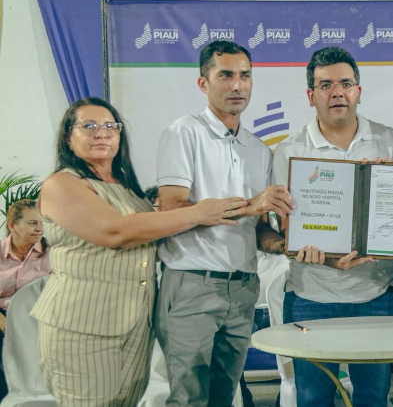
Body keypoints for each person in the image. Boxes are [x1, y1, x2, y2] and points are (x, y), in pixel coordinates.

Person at [30, 97, 246, 407]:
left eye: (110, 126)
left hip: (133, 324)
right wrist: (199, 212)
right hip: (82, 324)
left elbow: (151, 234)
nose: (101, 133)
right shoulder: (61, 184)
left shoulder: (126, 187)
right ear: (68, 137)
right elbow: (115, 232)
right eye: (88, 126)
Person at [258, 46, 393, 406]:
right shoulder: (289, 151)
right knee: (313, 400)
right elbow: (281, 230)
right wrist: (309, 252)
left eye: (345, 84)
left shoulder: (389, 140)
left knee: (374, 399)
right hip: (311, 297)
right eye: (325, 85)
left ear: (359, 91)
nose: (337, 93)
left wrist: (388, 186)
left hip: (376, 295)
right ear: (311, 96)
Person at [155, 40, 293, 407]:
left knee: (224, 396)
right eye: (226, 75)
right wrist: (250, 206)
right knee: (189, 398)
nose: (237, 85)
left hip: (243, 286)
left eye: (245, 76)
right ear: (203, 83)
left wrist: (286, 246)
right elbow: (171, 208)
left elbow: (259, 228)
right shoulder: (184, 133)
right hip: (192, 283)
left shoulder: (258, 149)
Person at [0, 199, 51, 400]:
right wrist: (3, 321)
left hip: (38, 316)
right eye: (32, 223)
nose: (39, 229)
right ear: (13, 225)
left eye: (42, 223)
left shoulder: (52, 252)